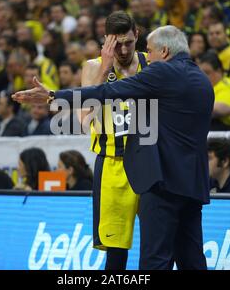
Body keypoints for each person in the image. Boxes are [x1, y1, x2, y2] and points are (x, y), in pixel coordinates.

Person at [13, 25, 214, 270]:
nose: (147, 58)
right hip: (193, 184)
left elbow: (108, 91)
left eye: (149, 52)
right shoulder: (203, 80)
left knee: (155, 260)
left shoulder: (162, 73)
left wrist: (54, 96)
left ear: (164, 51)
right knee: (192, 259)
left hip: (163, 184)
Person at [77, 11, 149, 270]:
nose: (123, 49)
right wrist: (105, 70)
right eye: (116, 44)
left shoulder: (151, 64)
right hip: (113, 164)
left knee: (159, 241)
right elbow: (84, 120)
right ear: (106, 41)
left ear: (137, 36)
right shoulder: (94, 67)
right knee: (116, 251)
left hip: (150, 162)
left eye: (129, 42)